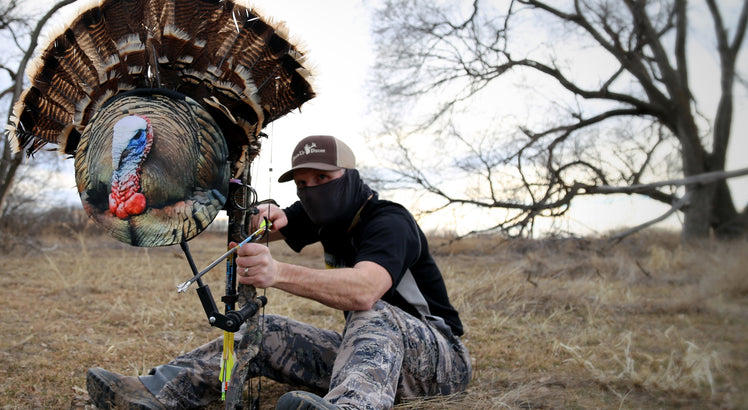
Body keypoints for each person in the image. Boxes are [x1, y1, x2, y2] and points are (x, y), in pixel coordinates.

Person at [87, 135, 471, 409]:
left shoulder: (389, 220)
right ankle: (155, 393)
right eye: (303, 183)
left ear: (352, 177)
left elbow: (365, 289)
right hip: (371, 361)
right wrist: (258, 214)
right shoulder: (323, 212)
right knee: (265, 332)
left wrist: (278, 272)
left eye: (324, 178)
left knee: (372, 311)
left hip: (438, 361)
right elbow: (274, 221)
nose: (312, 189)